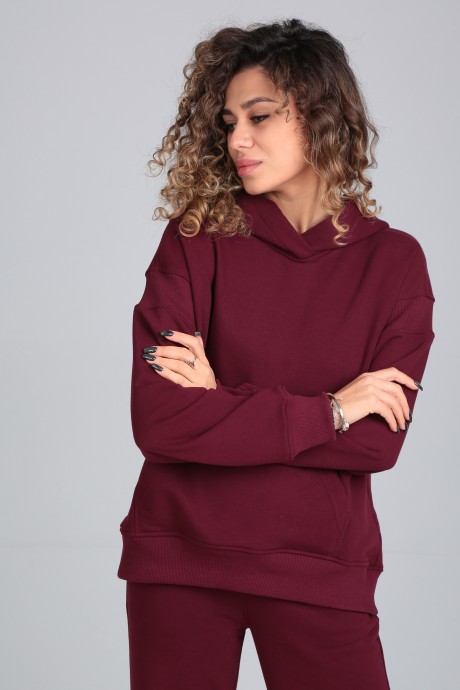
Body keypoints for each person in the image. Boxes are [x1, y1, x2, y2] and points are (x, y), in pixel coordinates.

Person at [117, 18, 435, 690]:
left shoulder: (395, 263)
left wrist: (219, 402)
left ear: (320, 114)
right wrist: (332, 409)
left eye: (259, 117)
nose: (238, 139)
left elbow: (377, 442)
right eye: (229, 121)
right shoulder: (195, 239)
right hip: (179, 562)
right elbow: (161, 420)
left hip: (320, 569)